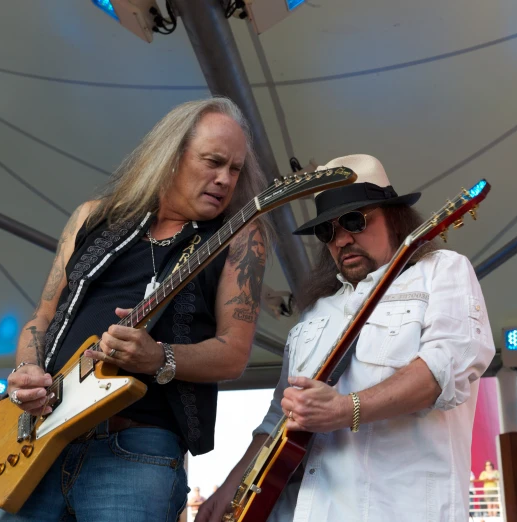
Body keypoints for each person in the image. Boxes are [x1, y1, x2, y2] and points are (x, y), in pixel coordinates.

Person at [0, 98, 267, 522]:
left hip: (137, 449)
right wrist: (27, 373)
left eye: (234, 169)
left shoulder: (239, 236)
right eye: (213, 162)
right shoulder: (92, 217)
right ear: (172, 157)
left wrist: (160, 356)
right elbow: (42, 318)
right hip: (39, 444)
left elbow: (234, 353)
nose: (224, 179)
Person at [196, 154, 496, 522]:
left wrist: (344, 409)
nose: (341, 239)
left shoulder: (442, 270)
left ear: (394, 217)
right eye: (328, 231)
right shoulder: (314, 315)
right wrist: (230, 487)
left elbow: (444, 369)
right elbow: (281, 415)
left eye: (354, 221)